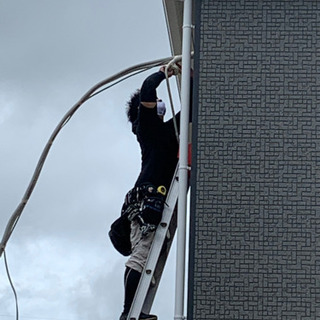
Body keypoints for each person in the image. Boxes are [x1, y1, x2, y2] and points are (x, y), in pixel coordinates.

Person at [118, 64, 191, 320]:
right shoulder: (146, 128)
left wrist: (193, 77)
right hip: (145, 201)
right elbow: (148, 89)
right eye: (158, 103)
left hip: (155, 199)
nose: (160, 104)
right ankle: (129, 313)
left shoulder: (168, 131)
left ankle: (134, 312)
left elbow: (190, 110)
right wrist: (165, 73)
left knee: (150, 255)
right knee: (142, 255)